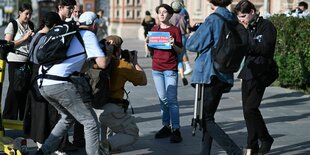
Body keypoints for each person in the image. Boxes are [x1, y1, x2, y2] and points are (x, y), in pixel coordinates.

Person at [35, 11, 109, 155]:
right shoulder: (88, 35)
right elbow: (103, 63)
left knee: (67, 117)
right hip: (59, 84)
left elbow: (79, 67)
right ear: (94, 25)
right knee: (90, 124)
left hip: (43, 83)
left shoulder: (69, 34)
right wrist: (109, 52)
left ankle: (43, 151)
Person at [186, 0, 246, 154]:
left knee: (204, 118)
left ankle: (234, 151)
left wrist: (193, 34)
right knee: (208, 117)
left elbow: (193, 44)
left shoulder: (213, 19)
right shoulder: (231, 19)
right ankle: (204, 152)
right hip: (224, 72)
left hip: (209, 73)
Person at [234, 0, 276, 154]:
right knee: (247, 110)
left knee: (251, 108)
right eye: (239, 17)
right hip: (248, 72)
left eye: (243, 16)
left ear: (252, 11)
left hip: (261, 72)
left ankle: (265, 138)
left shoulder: (266, 26)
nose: (241, 20)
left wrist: (246, 35)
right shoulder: (245, 27)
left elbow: (264, 48)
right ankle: (252, 146)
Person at [23, 11, 65, 154]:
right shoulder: (46, 38)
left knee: (37, 112)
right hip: (42, 76)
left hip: (33, 77)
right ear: (53, 25)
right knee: (47, 112)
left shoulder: (36, 35)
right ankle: (48, 145)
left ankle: (41, 142)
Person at [98, 35, 147, 154]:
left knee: (104, 124)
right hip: (112, 108)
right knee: (132, 134)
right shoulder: (122, 65)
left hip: (95, 106)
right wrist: (134, 63)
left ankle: (104, 146)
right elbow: (143, 81)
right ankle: (107, 145)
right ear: (118, 50)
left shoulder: (96, 62)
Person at [147, 4, 183, 143]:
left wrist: (173, 44)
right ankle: (166, 126)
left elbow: (180, 51)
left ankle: (176, 129)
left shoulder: (175, 30)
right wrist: (147, 43)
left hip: (170, 69)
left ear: (169, 15)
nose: (161, 14)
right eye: (159, 12)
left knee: (172, 100)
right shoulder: (154, 29)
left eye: (164, 12)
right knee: (163, 100)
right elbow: (151, 52)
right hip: (157, 69)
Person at [3, 3, 34, 120]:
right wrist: (24, 38)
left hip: (27, 61)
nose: (28, 16)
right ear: (20, 13)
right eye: (26, 14)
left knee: (25, 90)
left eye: (30, 14)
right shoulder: (13, 25)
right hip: (15, 61)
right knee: (14, 89)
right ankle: (8, 117)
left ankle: (24, 118)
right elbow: (7, 45)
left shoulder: (30, 25)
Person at [170, 1, 189, 86]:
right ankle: (182, 75)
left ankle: (173, 78)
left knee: (173, 58)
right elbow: (187, 27)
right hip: (184, 37)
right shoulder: (183, 16)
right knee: (180, 59)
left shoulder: (170, 17)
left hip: (174, 38)